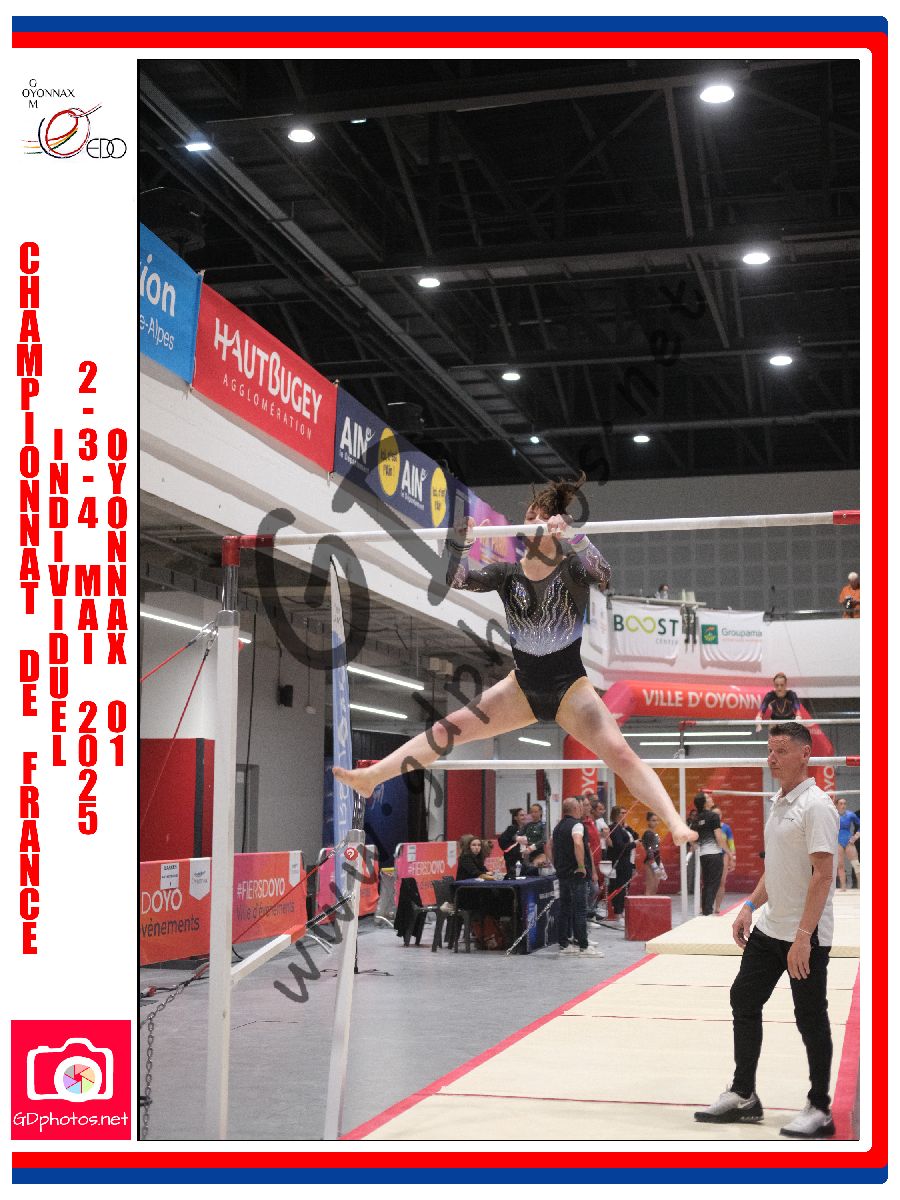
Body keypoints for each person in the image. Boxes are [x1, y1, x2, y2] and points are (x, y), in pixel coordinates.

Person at [332, 474, 698, 849]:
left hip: (571, 689)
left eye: (541, 515)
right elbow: (457, 579)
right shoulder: (506, 574)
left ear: (555, 525)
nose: (532, 520)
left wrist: (575, 537)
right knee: (446, 729)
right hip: (521, 688)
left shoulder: (572, 569)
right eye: (529, 515)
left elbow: (603, 572)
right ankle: (373, 777)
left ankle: (674, 820)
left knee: (620, 753)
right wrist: (458, 544)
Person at [695, 722, 840, 1138]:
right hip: (770, 927)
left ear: (805, 754)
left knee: (809, 1016)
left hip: (805, 935)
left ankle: (819, 1107)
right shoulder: (778, 802)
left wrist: (803, 937)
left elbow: (823, 875)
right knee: (743, 997)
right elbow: (775, 869)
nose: (771, 759)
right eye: (770, 750)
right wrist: (748, 906)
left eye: (780, 751)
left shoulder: (816, 806)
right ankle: (744, 1094)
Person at [552, 797, 602, 957]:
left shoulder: (558, 827)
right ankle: (584, 946)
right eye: (580, 807)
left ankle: (564, 944)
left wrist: (556, 865)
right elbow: (578, 843)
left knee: (565, 909)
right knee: (580, 910)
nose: (582, 810)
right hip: (576, 874)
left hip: (562, 873)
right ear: (575, 809)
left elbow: (550, 846)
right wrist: (581, 866)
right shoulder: (577, 825)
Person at [690, 792, 729, 915]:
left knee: (707, 883)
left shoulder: (696, 818)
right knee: (714, 883)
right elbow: (719, 837)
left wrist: (697, 846)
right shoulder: (713, 816)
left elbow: (691, 837)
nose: (711, 798)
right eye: (708, 797)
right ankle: (707, 910)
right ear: (704, 803)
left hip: (703, 855)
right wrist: (729, 853)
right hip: (714, 854)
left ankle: (705, 910)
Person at [602, 806, 639, 929]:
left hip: (627, 862)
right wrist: (634, 844)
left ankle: (621, 912)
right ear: (616, 814)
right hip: (620, 864)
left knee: (624, 888)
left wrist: (627, 827)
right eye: (622, 812)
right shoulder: (614, 828)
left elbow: (635, 835)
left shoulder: (623, 828)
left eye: (625, 812)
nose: (624, 814)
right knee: (619, 888)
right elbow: (619, 847)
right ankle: (618, 914)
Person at [581, 795, 604, 919]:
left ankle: (591, 912)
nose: (589, 808)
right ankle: (588, 915)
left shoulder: (591, 822)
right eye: (586, 805)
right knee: (592, 889)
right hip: (587, 863)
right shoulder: (582, 825)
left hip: (595, 860)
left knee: (594, 889)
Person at [712, 805, 736, 914]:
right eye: (715, 814)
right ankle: (706, 905)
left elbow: (731, 843)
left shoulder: (726, 828)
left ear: (721, 815)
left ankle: (717, 906)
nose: (717, 816)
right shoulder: (709, 827)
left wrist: (733, 857)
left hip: (723, 855)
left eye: (719, 814)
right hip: (712, 855)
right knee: (710, 882)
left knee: (721, 882)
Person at [834, 797, 860, 890]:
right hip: (838, 842)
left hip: (849, 841)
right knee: (840, 865)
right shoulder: (833, 815)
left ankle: (860, 886)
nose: (843, 805)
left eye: (844, 803)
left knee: (856, 864)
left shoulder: (850, 814)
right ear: (836, 805)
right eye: (841, 803)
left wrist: (856, 835)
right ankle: (843, 887)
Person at [497, 808, 528, 879]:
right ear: (515, 818)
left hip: (522, 858)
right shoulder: (512, 828)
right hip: (513, 860)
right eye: (521, 815)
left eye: (525, 815)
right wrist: (512, 851)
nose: (524, 817)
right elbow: (501, 840)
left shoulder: (524, 829)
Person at [641, 812, 664, 896]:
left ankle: (652, 902)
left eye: (657, 820)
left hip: (656, 859)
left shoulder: (654, 833)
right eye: (653, 820)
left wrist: (659, 862)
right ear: (648, 821)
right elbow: (649, 850)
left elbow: (656, 849)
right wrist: (653, 863)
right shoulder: (648, 833)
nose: (656, 822)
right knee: (650, 887)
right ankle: (647, 902)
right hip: (651, 860)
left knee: (655, 886)